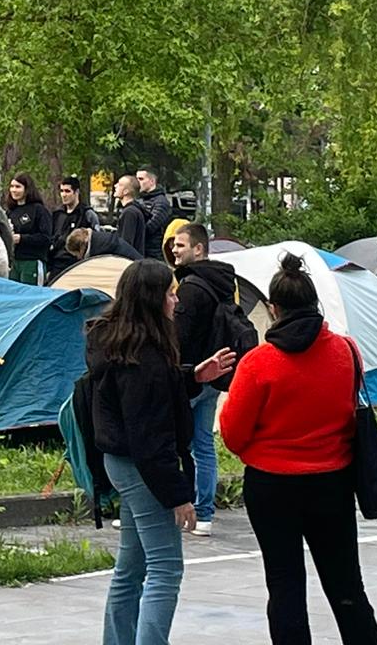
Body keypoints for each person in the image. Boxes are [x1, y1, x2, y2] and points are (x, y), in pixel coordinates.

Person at [221, 252, 377, 645]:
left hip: (272, 486)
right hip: (333, 482)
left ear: (273, 309)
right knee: (346, 586)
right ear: (315, 304)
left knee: (285, 586)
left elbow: (233, 434)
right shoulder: (346, 351)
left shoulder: (259, 363)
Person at [86, 260, 233, 645]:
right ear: (152, 299)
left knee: (131, 567)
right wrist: (178, 496)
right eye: (170, 293)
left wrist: (192, 376)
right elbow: (150, 436)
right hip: (142, 468)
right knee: (166, 568)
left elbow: (148, 401)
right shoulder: (145, 359)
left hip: (121, 461)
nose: (175, 300)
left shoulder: (121, 343)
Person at [169, 222, 235, 537]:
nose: (174, 250)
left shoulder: (191, 288)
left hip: (192, 374)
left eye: (180, 245)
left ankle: (179, 507)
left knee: (174, 441)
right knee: (203, 443)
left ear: (199, 249)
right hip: (214, 373)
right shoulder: (222, 282)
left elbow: (180, 335)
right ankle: (205, 513)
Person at [5, 173, 53, 285]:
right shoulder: (10, 212)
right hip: (14, 262)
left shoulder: (39, 210)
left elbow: (46, 238)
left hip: (32, 261)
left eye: (18, 187)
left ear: (27, 189)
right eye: (12, 186)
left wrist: (21, 238)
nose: (14, 190)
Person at [50, 175, 101, 277]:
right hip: (56, 264)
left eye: (67, 191)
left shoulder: (87, 214)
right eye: (61, 191)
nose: (63, 195)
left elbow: (96, 239)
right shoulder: (57, 214)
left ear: (76, 192)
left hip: (77, 265)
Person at [136, 167, 173, 253]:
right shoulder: (140, 199)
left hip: (154, 253)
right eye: (136, 179)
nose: (137, 182)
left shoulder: (161, 202)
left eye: (141, 179)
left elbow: (149, 228)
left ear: (152, 181)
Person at [64, 225, 142, 264]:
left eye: (76, 255)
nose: (77, 258)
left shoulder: (98, 251)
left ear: (80, 249)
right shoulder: (101, 240)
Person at [113, 174, 148, 258]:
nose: (115, 186)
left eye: (120, 184)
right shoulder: (133, 210)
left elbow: (126, 244)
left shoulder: (129, 213)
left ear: (126, 191)